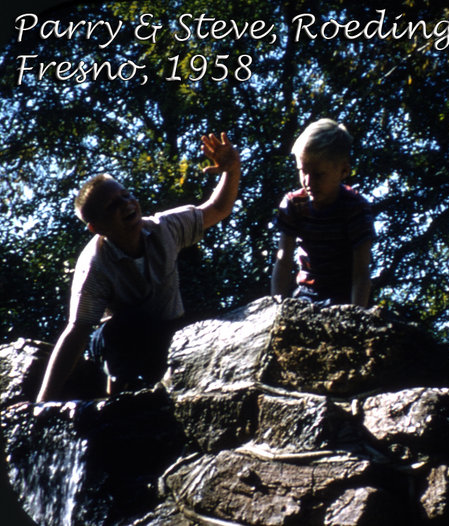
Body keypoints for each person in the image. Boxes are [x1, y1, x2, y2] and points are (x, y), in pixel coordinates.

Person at [36, 132, 240, 402]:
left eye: (126, 195)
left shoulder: (165, 228)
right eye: (113, 205)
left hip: (169, 330)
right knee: (122, 328)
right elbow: (76, 333)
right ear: (96, 228)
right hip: (120, 343)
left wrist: (231, 169)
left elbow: (218, 208)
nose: (127, 205)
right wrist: (43, 402)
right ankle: (117, 399)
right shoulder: (94, 266)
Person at [271, 118, 375, 307]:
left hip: (344, 295)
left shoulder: (355, 208)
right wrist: (276, 302)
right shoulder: (294, 205)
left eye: (319, 174)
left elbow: (361, 273)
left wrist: (356, 315)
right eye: (303, 172)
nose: (308, 182)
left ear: (343, 170)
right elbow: (283, 260)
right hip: (307, 294)